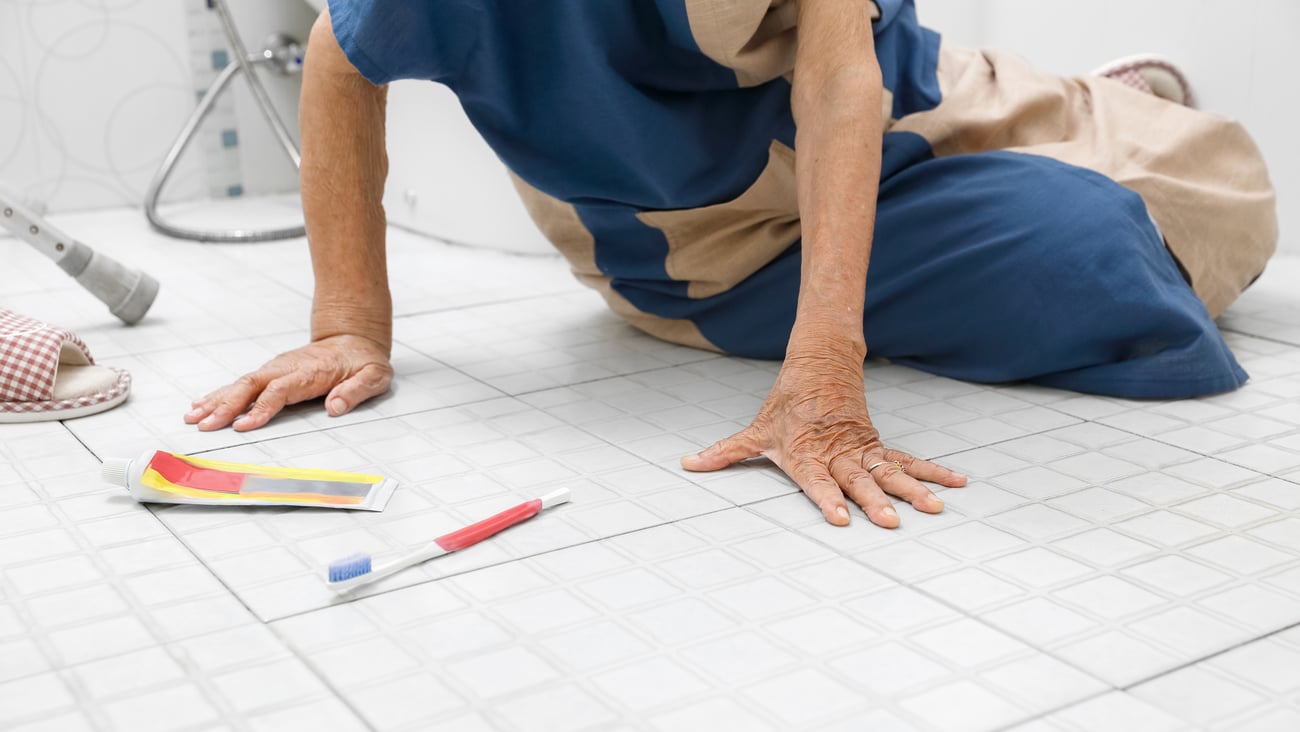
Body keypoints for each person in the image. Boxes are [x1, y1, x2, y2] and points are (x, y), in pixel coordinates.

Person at [184, 0, 1276, 529]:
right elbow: (339, 50)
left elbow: (843, 79)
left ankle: (1094, 115)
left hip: (897, 100)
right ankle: (1090, 149)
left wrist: (825, 374)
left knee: (1229, 179)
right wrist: (348, 322)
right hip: (716, 246)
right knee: (1096, 255)